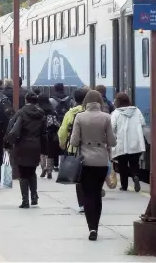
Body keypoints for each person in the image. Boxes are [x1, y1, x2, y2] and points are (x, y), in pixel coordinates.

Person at [69, 90, 116, 241]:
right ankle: (96, 225)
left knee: (88, 194)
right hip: (101, 160)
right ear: (100, 102)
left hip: (85, 161)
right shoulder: (106, 117)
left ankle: (92, 228)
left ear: (85, 102)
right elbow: (112, 142)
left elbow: (74, 141)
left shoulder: (80, 117)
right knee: (97, 194)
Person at [6, 92, 47, 208]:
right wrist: (44, 149)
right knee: (32, 172)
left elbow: (11, 128)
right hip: (36, 145)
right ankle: (34, 196)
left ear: (26, 100)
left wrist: (7, 142)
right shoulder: (41, 114)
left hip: (22, 145)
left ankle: (25, 200)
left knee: (23, 173)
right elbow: (44, 133)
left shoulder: (20, 113)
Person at [58, 88, 90, 213]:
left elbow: (62, 132)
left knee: (79, 178)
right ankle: (91, 200)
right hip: (92, 148)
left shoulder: (70, 113)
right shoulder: (92, 112)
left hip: (74, 149)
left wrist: (62, 145)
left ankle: (82, 204)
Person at [110, 92, 145, 192]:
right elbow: (142, 123)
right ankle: (135, 176)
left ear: (117, 102)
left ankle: (124, 186)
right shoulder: (136, 110)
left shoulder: (116, 113)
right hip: (135, 143)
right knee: (134, 163)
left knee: (122, 166)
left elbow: (112, 128)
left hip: (122, 144)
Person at [37, 93, 60, 179]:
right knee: (50, 152)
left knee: (42, 152)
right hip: (52, 134)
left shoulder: (39, 110)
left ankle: (44, 167)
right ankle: (50, 169)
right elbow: (57, 123)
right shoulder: (53, 111)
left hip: (41, 134)